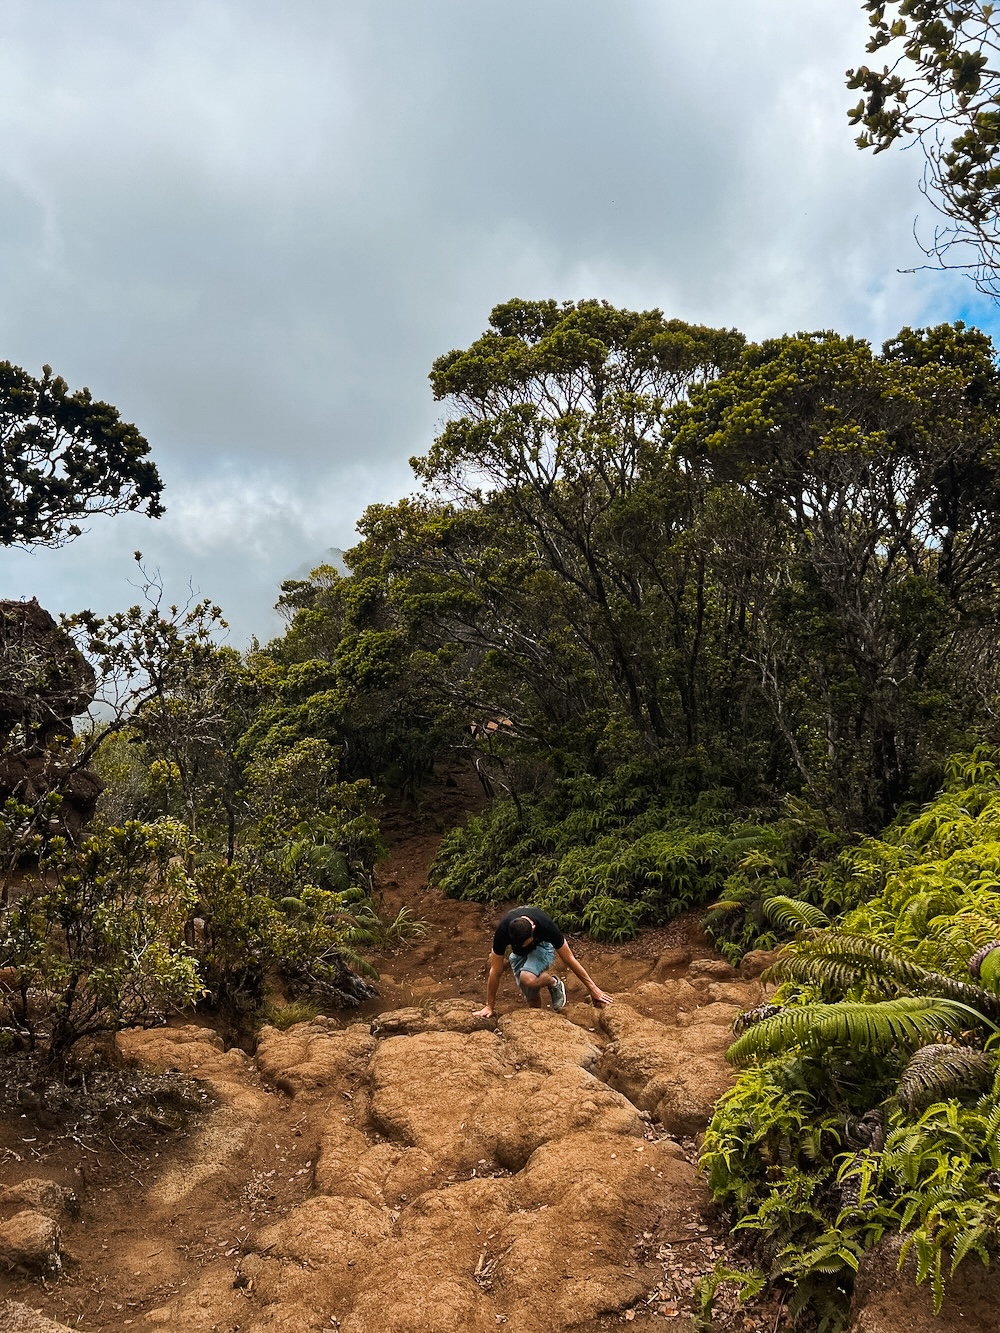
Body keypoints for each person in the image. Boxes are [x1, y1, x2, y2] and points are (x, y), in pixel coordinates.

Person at [475, 904, 614, 1018]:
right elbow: (496, 970)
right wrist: (489, 1006)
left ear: (533, 929)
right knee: (532, 998)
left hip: (542, 948)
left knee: (527, 978)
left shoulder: (545, 925)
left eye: (525, 942)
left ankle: (553, 982)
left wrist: (594, 989)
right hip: (517, 955)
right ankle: (539, 1019)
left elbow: (569, 958)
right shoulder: (503, 930)